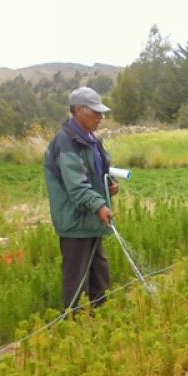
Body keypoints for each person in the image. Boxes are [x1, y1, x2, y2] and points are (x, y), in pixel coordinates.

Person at [44, 86, 119, 309]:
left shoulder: (91, 140)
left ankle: (101, 321)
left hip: (92, 221)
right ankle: (75, 328)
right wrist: (98, 204)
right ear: (78, 111)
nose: (101, 118)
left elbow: (98, 172)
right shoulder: (66, 143)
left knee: (100, 276)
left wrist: (110, 185)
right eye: (95, 112)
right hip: (76, 222)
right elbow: (76, 186)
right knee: (76, 282)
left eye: (101, 113)